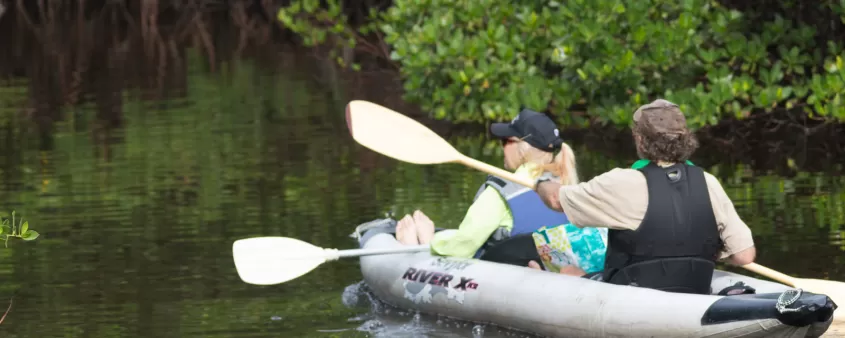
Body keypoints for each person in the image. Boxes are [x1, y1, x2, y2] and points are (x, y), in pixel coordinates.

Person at [532, 99, 756, 294]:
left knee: (569, 272)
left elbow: (555, 199)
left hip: (632, 293)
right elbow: (744, 255)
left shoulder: (621, 182)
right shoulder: (709, 182)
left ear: (639, 139)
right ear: (685, 139)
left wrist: (540, 183)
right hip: (694, 289)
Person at [395, 108, 604, 269]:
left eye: (505, 141)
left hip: (510, 278)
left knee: (425, 238)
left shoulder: (501, 192)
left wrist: (426, 242)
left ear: (521, 148)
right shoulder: (570, 187)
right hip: (551, 276)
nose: (501, 147)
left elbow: (463, 246)